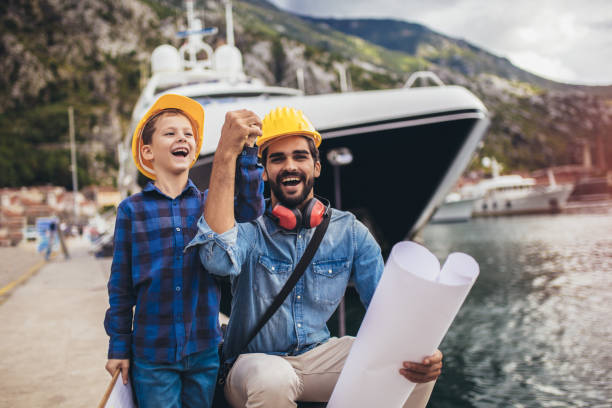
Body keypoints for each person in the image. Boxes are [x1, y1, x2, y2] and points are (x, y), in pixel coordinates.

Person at [188, 106, 443, 407]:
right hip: (250, 365)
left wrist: (424, 351)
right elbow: (216, 258)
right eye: (277, 158)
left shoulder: (349, 231)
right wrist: (226, 153)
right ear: (266, 172)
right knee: (273, 379)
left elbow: (387, 310)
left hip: (317, 359)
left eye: (300, 156)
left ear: (317, 166)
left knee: (411, 360)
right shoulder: (251, 232)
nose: (289, 166)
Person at [103, 94, 264, 408]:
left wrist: (248, 150)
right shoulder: (131, 210)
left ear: (194, 150)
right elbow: (120, 287)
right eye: (170, 133)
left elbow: (250, 209)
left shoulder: (209, 204)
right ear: (147, 152)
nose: (182, 138)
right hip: (152, 355)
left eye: (188, 134)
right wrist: (118, 347)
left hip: (204, 350)